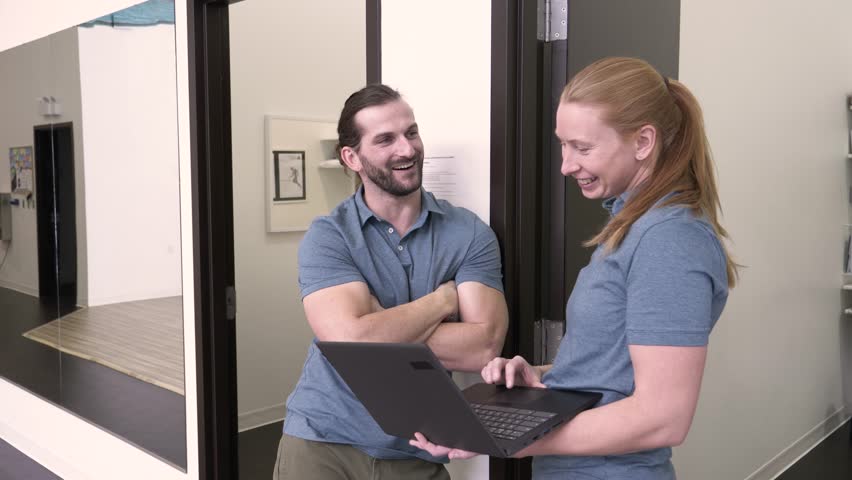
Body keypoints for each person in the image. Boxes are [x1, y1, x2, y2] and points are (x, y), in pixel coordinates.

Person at [412, 56, 738, 479]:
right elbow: (613, 373)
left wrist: (505, 438)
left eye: (583, 148)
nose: (566, 165)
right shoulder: (635, 228)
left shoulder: (668, 240)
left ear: (643, 141)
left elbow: (663, 418)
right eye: (563, 145)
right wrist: (546, 378)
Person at [273, 84, 510, 480]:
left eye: (411, 132)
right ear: (352, 157)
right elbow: (348, 344)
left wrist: (375, 326)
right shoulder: (330, 236)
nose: (407, 149)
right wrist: (442, 302)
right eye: (385, 139)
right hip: (322, 439)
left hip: (418, 447)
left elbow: (483, 349)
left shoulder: (469, 233)